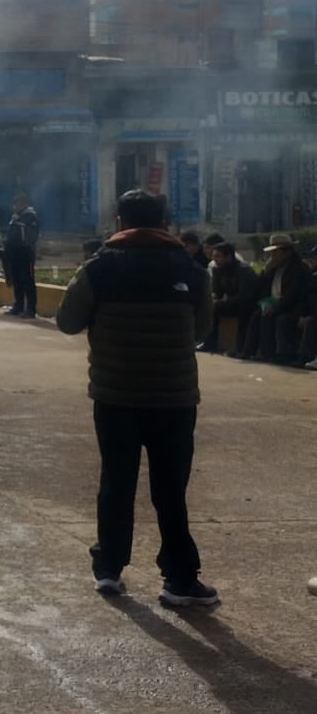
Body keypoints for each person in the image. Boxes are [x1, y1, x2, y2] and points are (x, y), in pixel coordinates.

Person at [56, 189, 218, 607]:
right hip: (174, 399)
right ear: (164, 221)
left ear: (118, 221)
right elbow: (201, 332)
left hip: (116, 396)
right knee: (170, 489)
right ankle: (180, 580)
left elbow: (67, 322)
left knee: (117, 480)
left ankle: (109, 569)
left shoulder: (99, 268)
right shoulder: (192, 268)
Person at [241, 233, 310, 365]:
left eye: (276, 252)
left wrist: (275, 307)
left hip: (294, 308)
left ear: (287, 252)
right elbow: (258, 290)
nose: (272, 256)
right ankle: (250, 351)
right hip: (275, 304)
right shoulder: (274, 268)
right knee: (256, 315)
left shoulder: (299, 268)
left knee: (279, 319)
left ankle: (283, 354)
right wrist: (265, 272)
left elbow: (292, 295)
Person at [198, 241, 254, 356]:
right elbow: (217, 292)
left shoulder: (244, 270)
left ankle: (241, 348)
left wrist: (222, 302)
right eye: (214, 257)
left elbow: (245, 296)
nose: (215, 260)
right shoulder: (217, 269)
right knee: (211, 308)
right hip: (230, 303)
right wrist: (213, 301)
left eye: (218, 256)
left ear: (229, 256)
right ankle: (209, 343)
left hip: (247, 303)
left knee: (244, 310)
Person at [3, 193, 40, 318]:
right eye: (14, 204)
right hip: (14, 253)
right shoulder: (15, 218)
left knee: (28, 281)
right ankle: (18, 306)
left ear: (24, 204)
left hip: (25, 254)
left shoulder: (30, 217)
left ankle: (31, 309)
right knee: (17, 280)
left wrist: (23, 245)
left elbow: (31, 237)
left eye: (16, 204)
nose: (14, 207)